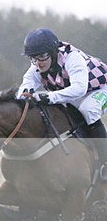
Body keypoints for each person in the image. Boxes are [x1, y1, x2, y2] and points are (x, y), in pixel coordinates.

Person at [17, 28, 107, 182]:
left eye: (42, 56)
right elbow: (26, 85)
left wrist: (49, 97)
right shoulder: (37, 67)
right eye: (33, 58)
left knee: (88, 109)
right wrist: (25, 95)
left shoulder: (72, 58)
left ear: (53, 52)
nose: (38, 63)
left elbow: (79, 89)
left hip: (99, 88)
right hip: (76, 92)